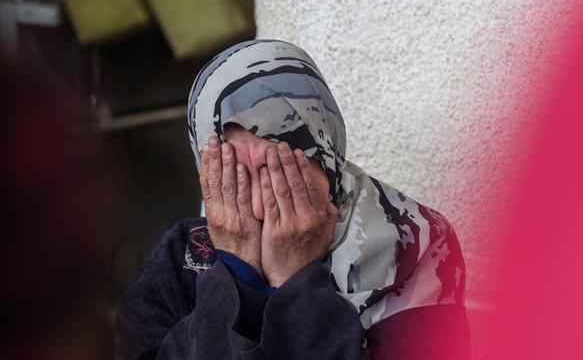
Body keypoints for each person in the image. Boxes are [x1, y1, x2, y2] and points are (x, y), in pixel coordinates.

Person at [115, 39, 469, 359]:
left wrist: (295, 279)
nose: (259, 207)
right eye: (234, 177)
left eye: (279, 173)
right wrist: (236, 274)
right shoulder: (182, 255)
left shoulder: (415, 243)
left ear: (326, 152)